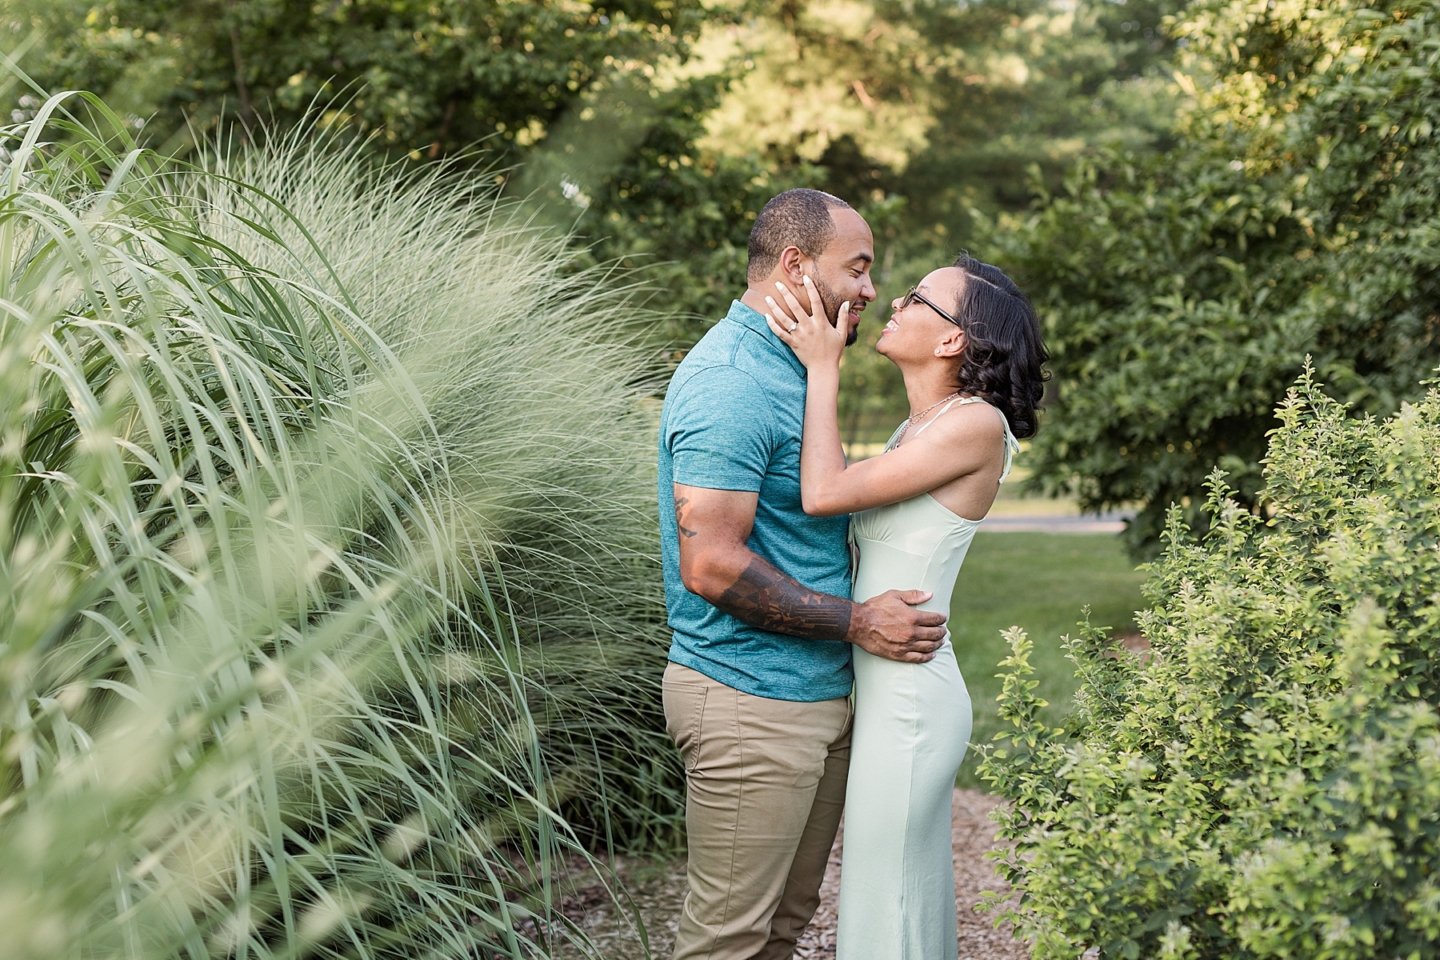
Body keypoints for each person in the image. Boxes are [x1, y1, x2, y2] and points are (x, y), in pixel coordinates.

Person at [657, 188, 951, 960]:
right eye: (857, 268)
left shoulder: (794, 369)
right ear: (794, 266)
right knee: (727, 941)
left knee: (782, 932)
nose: (869, 291)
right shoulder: (731, 379)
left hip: (810, 700)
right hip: (748, 702)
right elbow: (712, 563)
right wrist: (858, 621)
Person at [763, 254, 1048, 960]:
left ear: (954, 340)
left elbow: (824, 493)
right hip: (885, 687)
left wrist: (823, 366)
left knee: (889, 896)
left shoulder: (974, 425)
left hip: (913, 700)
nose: (893, 302)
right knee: (889, 893)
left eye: (919, 298)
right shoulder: (917, 427)